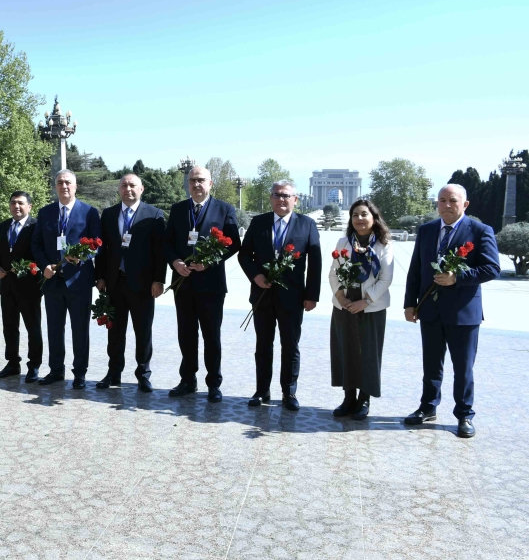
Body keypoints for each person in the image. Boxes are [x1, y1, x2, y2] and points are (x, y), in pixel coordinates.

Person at [403, 184, 500, 438]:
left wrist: (457, 277)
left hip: (463, 313)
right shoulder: (426, 230)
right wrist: (410, 303)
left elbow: (492, 268)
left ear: (464, 204)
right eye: (442, 200)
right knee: (431, 365)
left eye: (453, 200)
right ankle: (428, 407)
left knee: (463, 368)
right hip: (430, 311)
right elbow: (416, 269)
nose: (447, 205)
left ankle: (464, 415)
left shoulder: (480, 231)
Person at [238, 181, 321, 410]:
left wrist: (312, 295)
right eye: (277, 195)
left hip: (293, 298)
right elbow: (244, 255)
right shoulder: (259, 222)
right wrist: (256, 276)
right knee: (263, 345)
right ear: (271, 198)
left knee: (290, 346)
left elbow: (315, 262)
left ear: (295, 199)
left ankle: (289, 392)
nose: (281, 200)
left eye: (286, 196)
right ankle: (261, 390)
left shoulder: (307, 224)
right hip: (262, 296)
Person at [163, 166, 241, 400]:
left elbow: (233, 243)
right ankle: (188, 380)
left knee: (211, 335)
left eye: (201, 180)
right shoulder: (178, 209)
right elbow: (167, 242)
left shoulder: (224, 209)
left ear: (210, 183)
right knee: (186, 334)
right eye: (192, 180)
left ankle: (214, 383)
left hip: (211, 284)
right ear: (187, 184)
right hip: (183, 281)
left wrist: (210, 262)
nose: (196, 184)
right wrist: (175, 262)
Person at [94, 174, 167, 392]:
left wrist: (159, 280)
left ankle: (143, 374)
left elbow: (160, 251)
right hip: (115, 283)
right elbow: (102, 249)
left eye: (132, 185)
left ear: (141, 189)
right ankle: (113, 372)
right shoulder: (108, 214)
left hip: (143, 285)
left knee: (143, 331)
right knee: (115, 331)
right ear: (119, 189)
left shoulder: (154, 214)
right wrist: (100, 276)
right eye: (124, 185)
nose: (128, 189)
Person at [30, 169, 102, 388]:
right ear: (55, 186)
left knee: (80, 330)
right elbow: (36, 244)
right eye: (60, 182)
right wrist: (44, 265)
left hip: (79, 281)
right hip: (52, 281)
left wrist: (82, 257)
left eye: (68, 182)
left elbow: (97, 244)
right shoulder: (45, 213)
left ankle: (79, 374)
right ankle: (56, 370)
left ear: (75, 186)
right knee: (54, 329)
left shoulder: (89, 212)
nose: (64, 186)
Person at [328, 199, 394, 420]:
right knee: (345, 351)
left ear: (374, 218)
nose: (359, 218)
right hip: (344, 306)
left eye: (364, 214)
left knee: (368, 353)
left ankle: (364, 399)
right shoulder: (343, 242)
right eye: (355, 215)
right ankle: (348, 398)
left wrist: (365, 301)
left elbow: (385, 279)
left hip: (371, 308)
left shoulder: (384, 244)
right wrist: (340, 296)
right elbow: (333, 273)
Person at [0, 191, 43, 382]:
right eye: (13, 203)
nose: (16, 206)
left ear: (30, 206)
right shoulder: (4, 225)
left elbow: (41, 254)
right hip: (7, 286)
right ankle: (13, 363)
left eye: (21, 203)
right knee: (9, 327)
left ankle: (34, 365)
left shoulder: (36, 226)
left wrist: (32, 268)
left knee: (33, 328)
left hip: (29, 287)